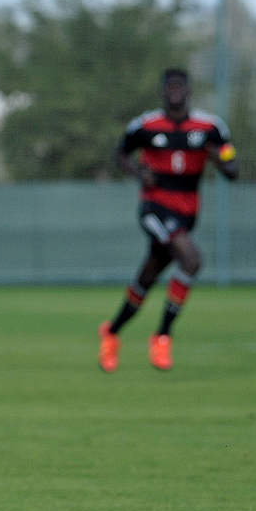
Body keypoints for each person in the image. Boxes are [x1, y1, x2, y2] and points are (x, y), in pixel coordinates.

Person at [97, 68, 236, 372]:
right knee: (191, 259)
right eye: (170, 86)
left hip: (187, 212)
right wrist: (139, 173)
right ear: (163, 91)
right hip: (155, 207)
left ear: (188, 90)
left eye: (180, 86)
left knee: (147, 276)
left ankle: (112, 332)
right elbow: (120, 154)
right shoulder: (145, 125)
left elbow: (232, 166)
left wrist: (218, 159)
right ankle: (162, 336)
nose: (175, 91)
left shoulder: (210, 127)